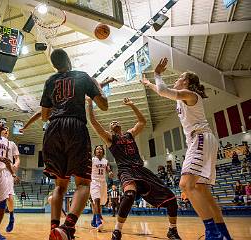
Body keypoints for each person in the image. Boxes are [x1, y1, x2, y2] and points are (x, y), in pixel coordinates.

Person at [141, 58, 232, 240]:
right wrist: (149, 83)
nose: (177, 79)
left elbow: (164, 91)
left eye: (180, 77)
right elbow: (161, 91)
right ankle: (224, 234)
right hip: (202, 140)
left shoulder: (190, 94)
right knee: (202, 190)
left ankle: (212, 233)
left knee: (185, 184)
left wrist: (158, 74)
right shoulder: (184, 97)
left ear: (187, 82)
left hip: (200, 138)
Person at [87, 97, 181, 240]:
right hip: (126, 170)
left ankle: (172, 230)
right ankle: (117, 231)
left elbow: (142, 122)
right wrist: (89, 104)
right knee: (129, 195)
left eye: (116, 121)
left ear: (121, 125)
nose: (114, 122)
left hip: (141, 169)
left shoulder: (130, 134)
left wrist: (133, 105)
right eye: (111, 123)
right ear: (110, 129)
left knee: (172, 198)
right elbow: (94, 123)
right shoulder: (110, 139)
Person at [40, 48, 109, 240]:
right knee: (83, 183)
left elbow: (44, 116)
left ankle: (54, 229)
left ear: (55, 66)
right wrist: (97, 85)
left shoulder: (50, 81)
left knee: (59, 185)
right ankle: (68, 228)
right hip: (75, 126)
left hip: (53, 129)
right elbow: (104, 105)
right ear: (69, 60)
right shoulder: (82, 76)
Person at [1, 126, 20, 233]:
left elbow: (17, 158)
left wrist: (15, 166)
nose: (6, 131)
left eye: (8, 130)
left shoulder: (11, 144)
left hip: (7, 171)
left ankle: (11, 217)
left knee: (9, 196)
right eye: (4, 129)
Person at [90, 145, 113, 231]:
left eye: (100, 149)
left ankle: (94, 220)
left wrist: (110, 172)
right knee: (97, 200)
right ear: (95, 152)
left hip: (103, 183)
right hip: (94, 182)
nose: (99, 150)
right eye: (97, 149)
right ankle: (99, 221)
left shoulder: (105, 161)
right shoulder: (92, 160)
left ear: (103, 151)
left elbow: (108, 169)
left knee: (100, 203)